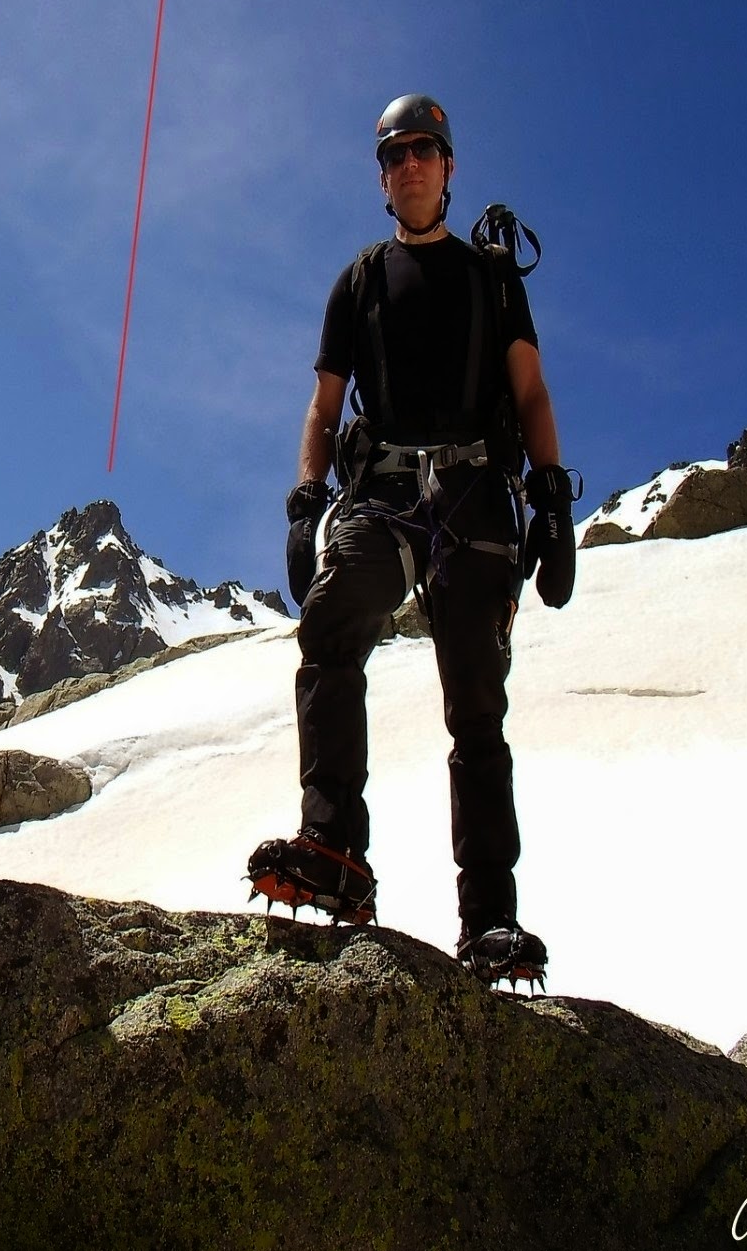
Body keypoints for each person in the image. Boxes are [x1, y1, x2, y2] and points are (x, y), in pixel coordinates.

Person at [247, 93, 578, 989]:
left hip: (474, 499)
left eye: (424, 151)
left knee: (476, 708)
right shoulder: (358, 282)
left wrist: (549, 500)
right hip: (385, 495)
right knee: (330, 630)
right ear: (384, 179)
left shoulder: (490, 278)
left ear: (449, 166)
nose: (411, 167)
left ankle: (490, 920)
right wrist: (304, 498)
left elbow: (531, 391)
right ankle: (335, 851)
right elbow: (325, 404)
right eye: (394, 156)